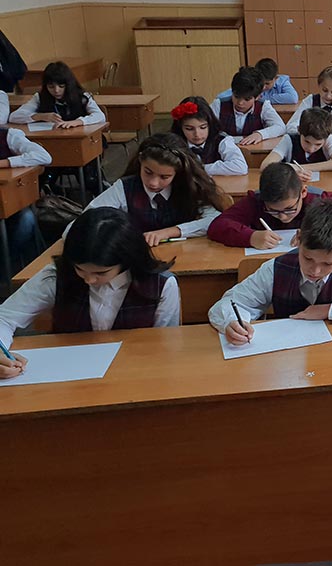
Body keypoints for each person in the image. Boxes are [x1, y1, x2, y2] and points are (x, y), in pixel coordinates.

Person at [0, 207, 180, 377]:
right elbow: (5, 317)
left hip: (136, 373)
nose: (89, 280)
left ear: (127, 260)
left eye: (101, 273)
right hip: (69, 374)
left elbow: (165, 345)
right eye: (79, 269)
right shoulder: (56, 275)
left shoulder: (161, 285)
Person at [209, 199, 332, 344]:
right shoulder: (276, 268)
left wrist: (328, 310)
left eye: (328, 264)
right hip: (287, 359)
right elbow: (227, 304)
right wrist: (232, 322)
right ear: (298, 239)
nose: (315, 270)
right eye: (307, 258)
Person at [80, 132, 228, 246]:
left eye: (164, 177)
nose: (153, 183)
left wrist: (170, 232)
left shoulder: (188, 186)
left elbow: (215, 219)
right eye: (148, 172)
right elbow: (83, 222)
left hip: (184, 255)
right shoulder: (124, 187)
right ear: (140, 161)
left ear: (178, 172)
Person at [207, 162, 332, 251]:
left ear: (303, 192)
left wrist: (316, 231)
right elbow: (217, 226)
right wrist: (250, 237)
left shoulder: (318, 200)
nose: (283, 217)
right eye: (273, 211)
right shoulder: (255, 201)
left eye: (290, 209)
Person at [0, 126, 51, 268]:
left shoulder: (8, 136)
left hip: (11, 205)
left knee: (26, 219)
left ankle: (9, 265)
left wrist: (5, 163)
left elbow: (44, 157)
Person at [9, 61, 106, 129]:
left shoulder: (82, 96)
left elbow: (100, 116)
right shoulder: (39, 97)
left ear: (69, 85)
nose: (56, 91)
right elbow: (14, 117)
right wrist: (40, 116)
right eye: (51, 87)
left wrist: (77, 122)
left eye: (61, 86)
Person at [170, 97, 247, 176]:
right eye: (189, 129)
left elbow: (240, 167)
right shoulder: (172, 143)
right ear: (180, 127)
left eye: (203, 127)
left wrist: (200, 169)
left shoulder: (221, 140)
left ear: (210, 124)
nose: (197, 134)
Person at [261, 107, 332, 178]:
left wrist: (298, 168)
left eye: (318, 144)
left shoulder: (327, 139)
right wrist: (290, 171)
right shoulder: (288, 140)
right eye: (307, 142)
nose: (311, 149)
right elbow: (265, 165)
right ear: (299, 130)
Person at [209, 67, 286, 145]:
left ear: (258, 97)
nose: (240, 103)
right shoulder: (219, 104)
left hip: (253, 149)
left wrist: (260, 134)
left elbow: (280, 126)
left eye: (247, 99)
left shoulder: (263, 106)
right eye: (236, 96)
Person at [285, 65, 332, 137]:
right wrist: (308, 132)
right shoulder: (310, 101)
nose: (328, 96)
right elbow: (291, 126)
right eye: (325, 90)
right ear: (319, 86)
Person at [218, 57, 298, 105]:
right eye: (262, 82)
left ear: (276, 78)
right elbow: (220, 97)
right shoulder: (251, 82)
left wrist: (261, 99)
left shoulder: (282, 81)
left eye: (267, 83)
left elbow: (293, 98)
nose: (263, 87)